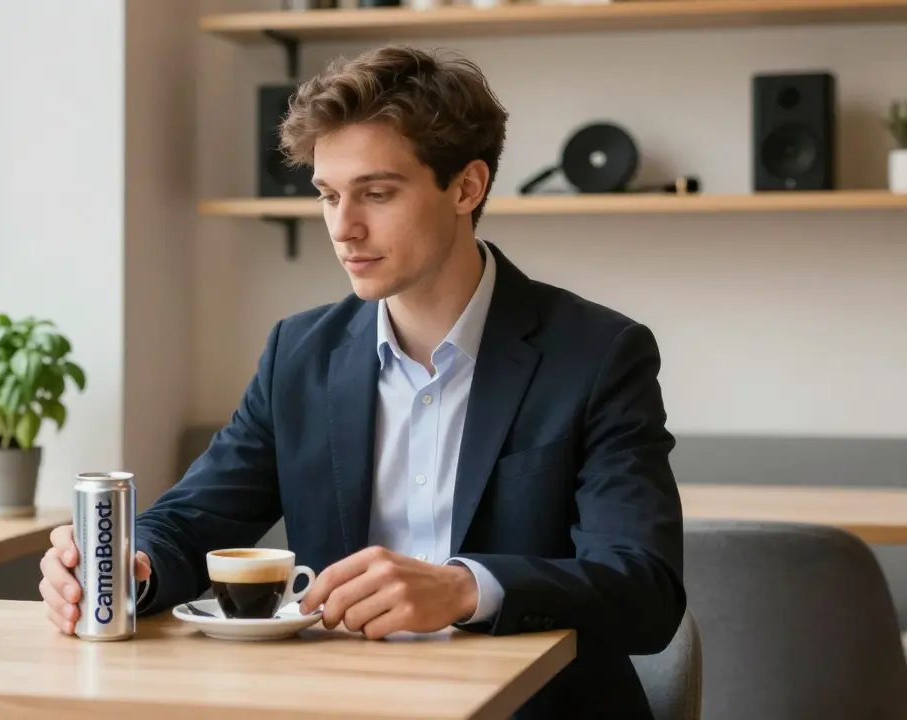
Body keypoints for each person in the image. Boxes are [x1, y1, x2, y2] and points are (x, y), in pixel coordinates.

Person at [41, 44, 684, 718]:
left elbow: (644, 590)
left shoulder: (599, 354)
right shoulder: (300, 353)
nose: (343, 228)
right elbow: (192, 518)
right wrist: (123, 565)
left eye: (377, 193)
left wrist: (466, 589)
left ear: (467, 186)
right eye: (328, 195)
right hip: (341, 704)